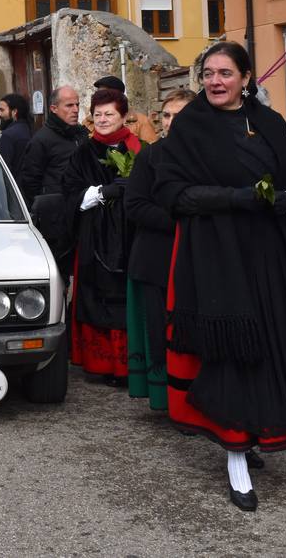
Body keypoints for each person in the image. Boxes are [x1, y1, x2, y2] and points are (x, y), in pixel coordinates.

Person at [154, 42, 286, 512]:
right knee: (233, 348)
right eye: (208, 73)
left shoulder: (269, 122)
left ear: (246, 78)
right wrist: (238, 199)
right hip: (214, 254)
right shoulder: (189, 125)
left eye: (225, 73)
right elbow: (173, 194)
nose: (215, 81)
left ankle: (257, 430)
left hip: (272, 252)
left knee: (271, 343)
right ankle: (234, 456)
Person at [62, 87, 141, 384]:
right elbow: (70, 194)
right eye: (98, 115)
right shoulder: (83, 151)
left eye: (110, 114)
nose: (104, 120)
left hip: (130, 235)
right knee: (96, 294)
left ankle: (128, 365)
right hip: (94, 235)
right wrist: (101, 193)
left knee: (126, 295)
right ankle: (101, 364)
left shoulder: (137, 148)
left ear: (123, 116)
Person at [124, 88, 194, 411]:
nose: (171, 122)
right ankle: (169, 399)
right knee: (159, 330)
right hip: (157, 257)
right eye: (166, 115)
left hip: (197, 258)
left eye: (179, 116)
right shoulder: (149, 156)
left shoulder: (206, 156)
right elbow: (135, 205)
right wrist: (178, 220)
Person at [18, 86, 88, 272]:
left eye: (77, 105)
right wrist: (48, 205)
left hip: (82, 215)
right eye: (69, 105)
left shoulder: (80, 135)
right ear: (54, 108)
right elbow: (29, 182)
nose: (75, 109)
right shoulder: (41, 140)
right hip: (56, 223)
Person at [91, 75, 159, 143]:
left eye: (107, 94)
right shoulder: (89, 122)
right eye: (99, 93)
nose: (101, 97)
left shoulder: (141, 121)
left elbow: (151, 149)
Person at [0, 94, 33, 183]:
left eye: (2, 110)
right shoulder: (31, 130)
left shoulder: (8, 136)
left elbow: (3, 171)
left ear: (14, 112)